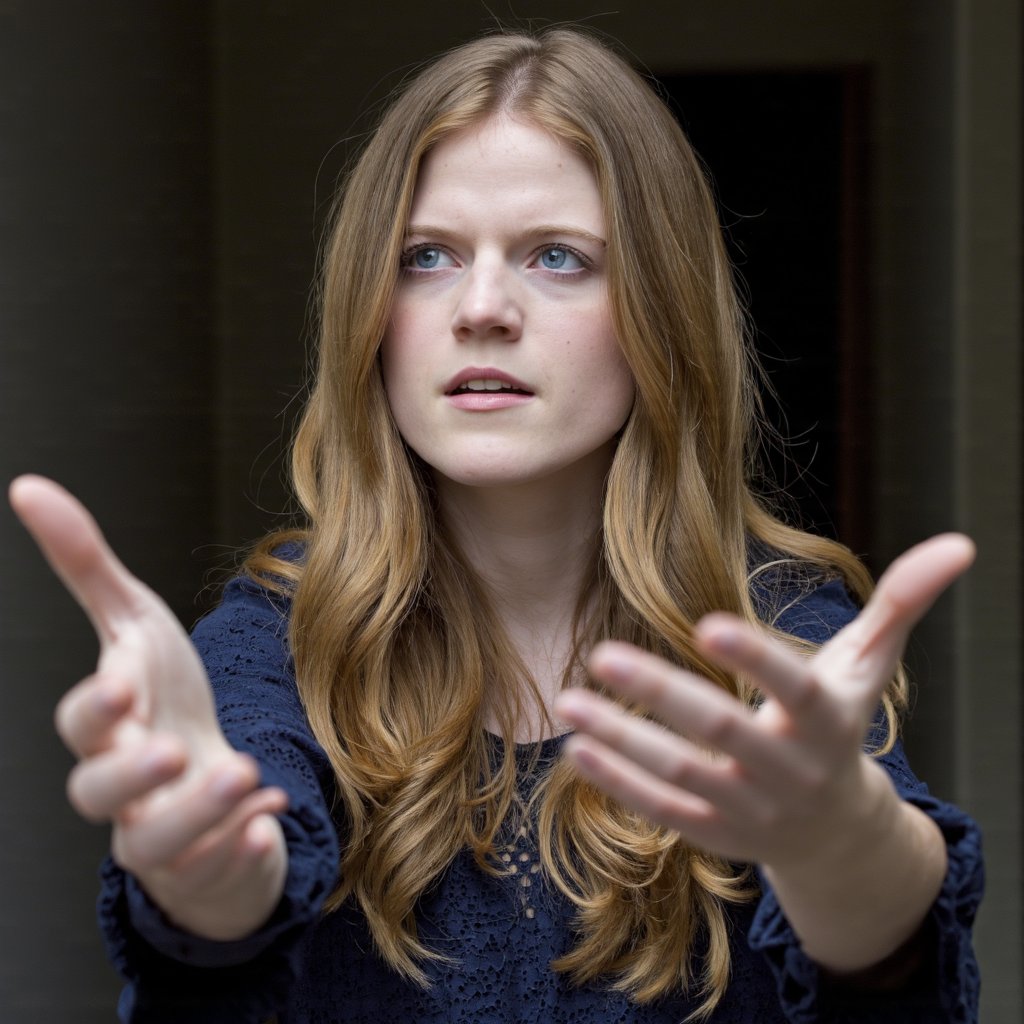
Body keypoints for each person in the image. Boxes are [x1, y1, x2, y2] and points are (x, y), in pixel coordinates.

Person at [10, 26, 982, 1024]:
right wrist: (208, 864)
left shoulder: (777, 626)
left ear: (660, 309)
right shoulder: (276, 634)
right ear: (370, 314)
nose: (480, 308)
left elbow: (891, 947)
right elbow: (231, 881)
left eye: (556, 257)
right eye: (426, 256)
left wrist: (840, 839)